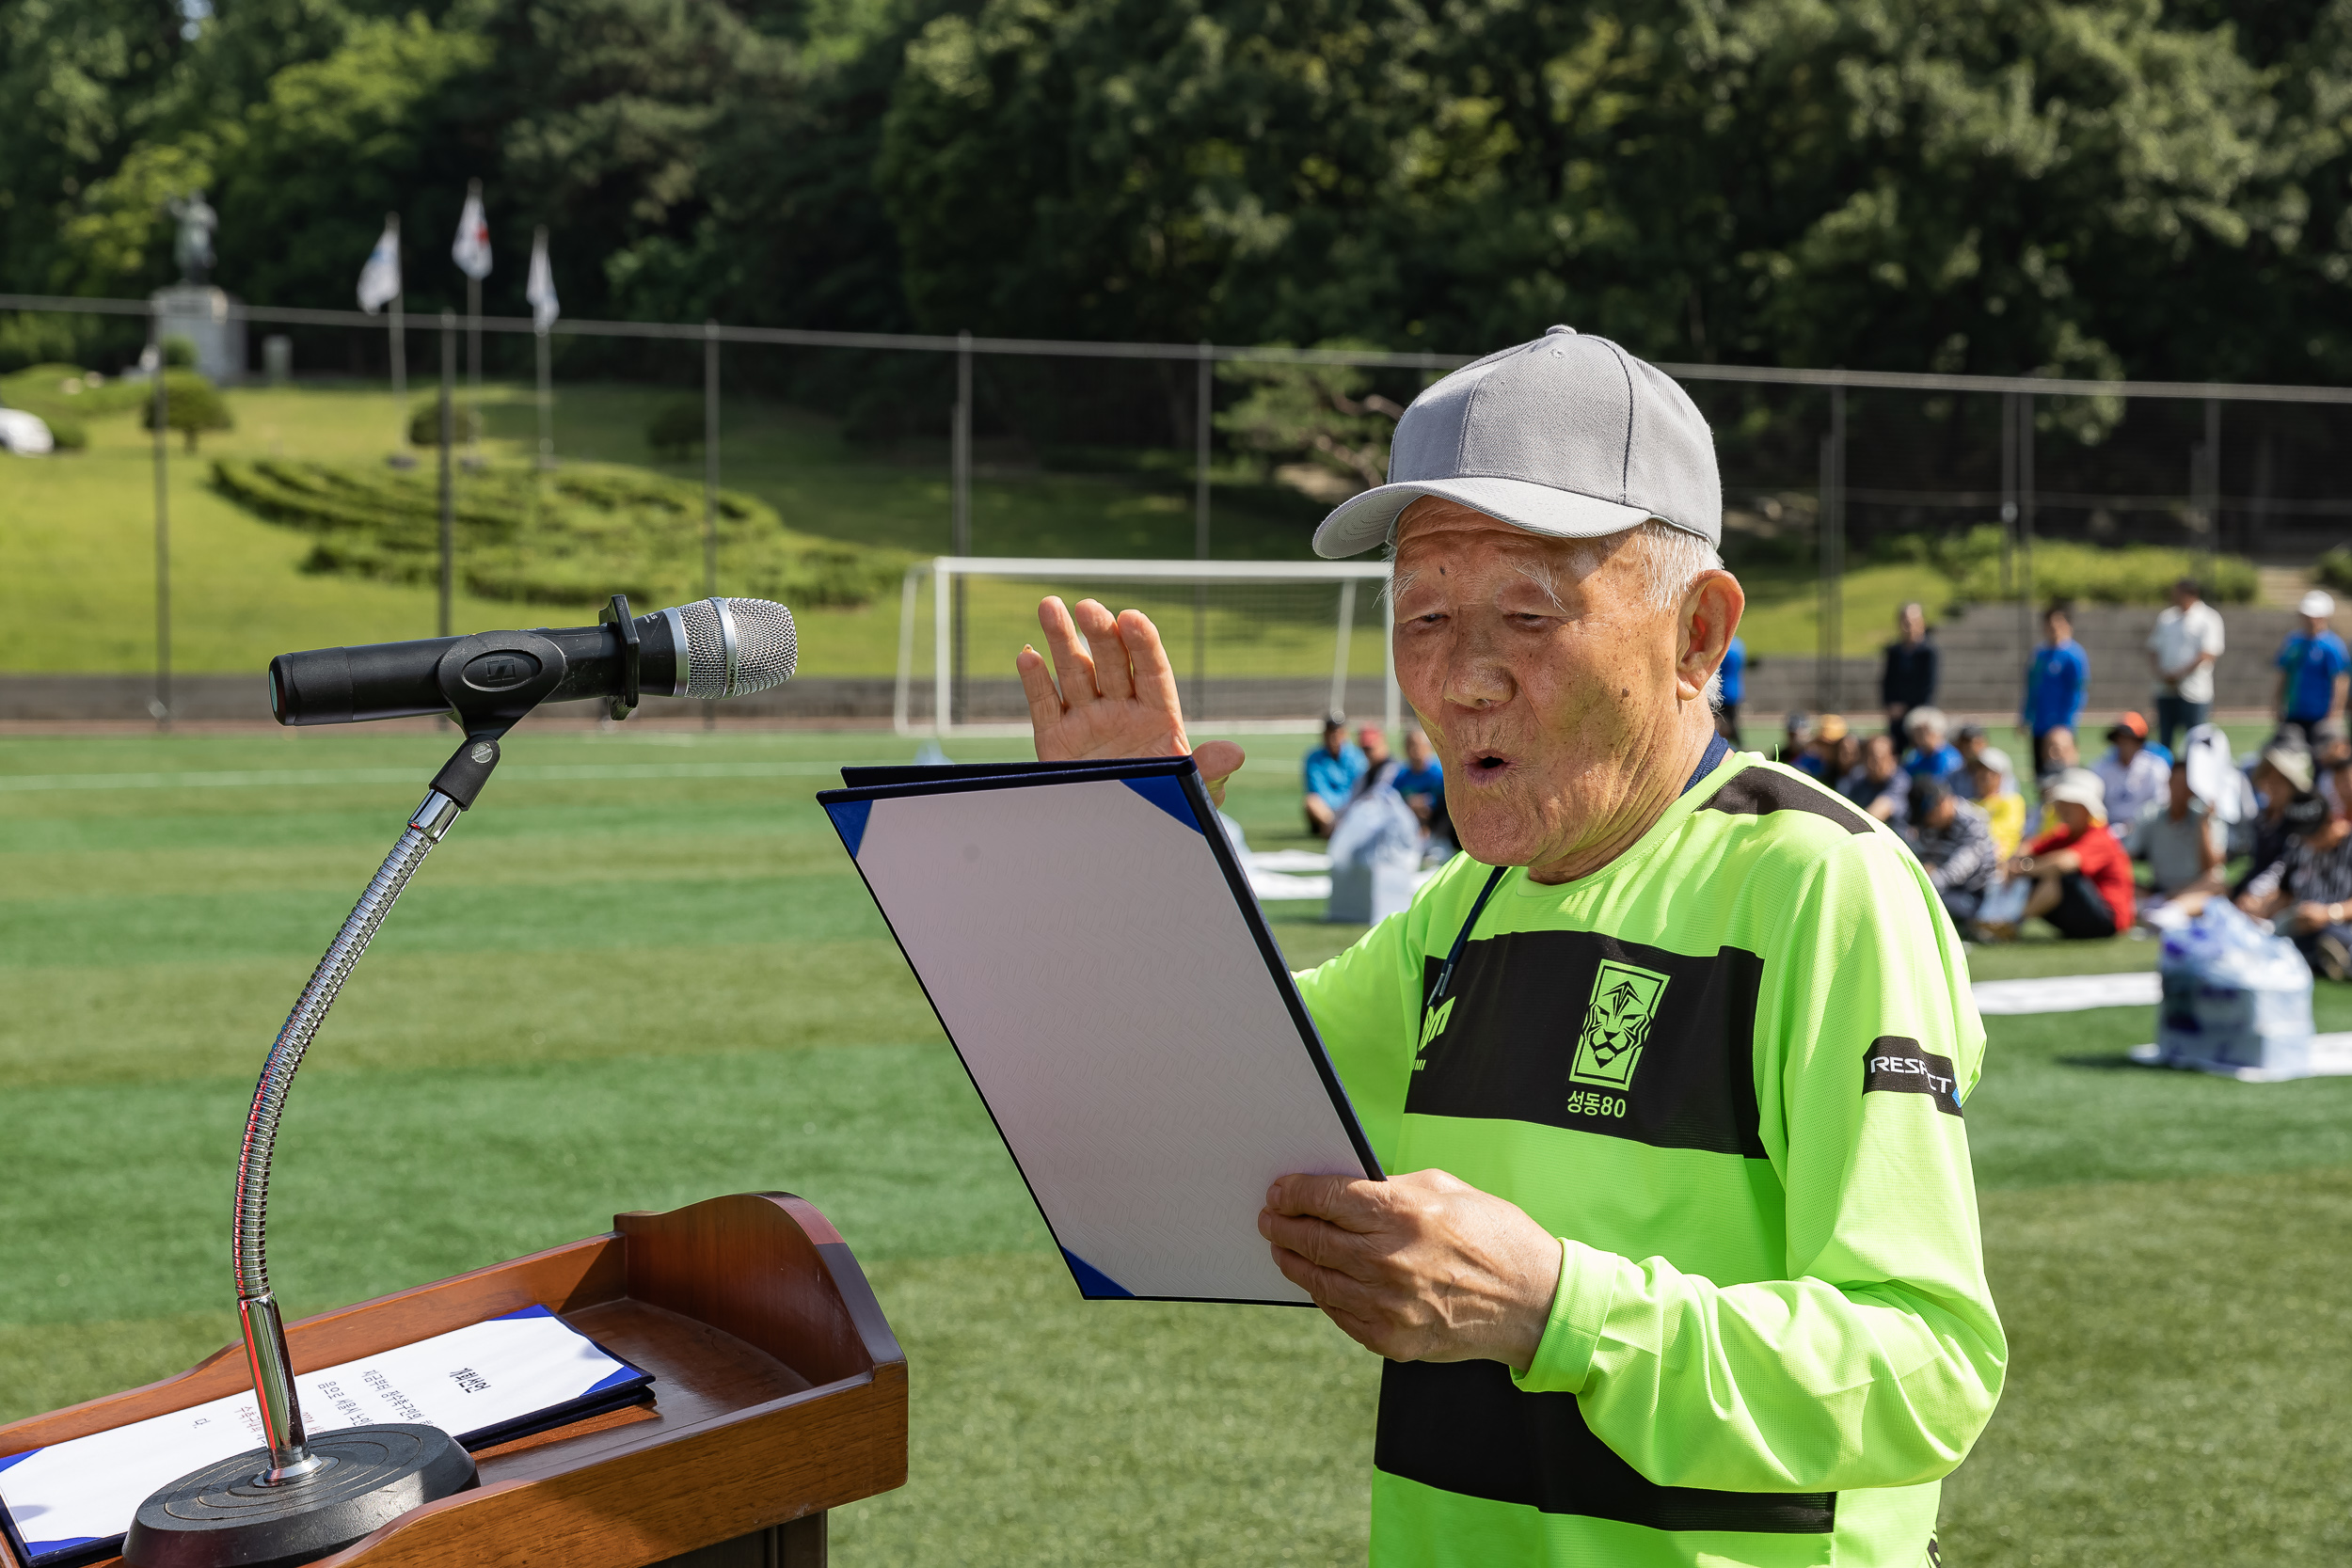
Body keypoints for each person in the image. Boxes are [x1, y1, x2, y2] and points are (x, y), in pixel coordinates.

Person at [1012, 325, 2000, 1568]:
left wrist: (1554, 1309)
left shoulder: (1820, 887)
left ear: (1698, 631)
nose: (1462, 674)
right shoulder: (1468, 902)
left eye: (1526, 609)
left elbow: (1930, 1365)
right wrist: (1130, 864)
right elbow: (1206, 1102)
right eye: (1422, 607)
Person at [2002, 768, 2134, 940]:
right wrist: (2013, 864)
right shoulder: (2064, 833)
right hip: (2083, 914)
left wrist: (2022, 868)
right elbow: (2028, 848)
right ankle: (1999, 919)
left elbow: (2065, 863)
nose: (2063, 808)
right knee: (2043, 873)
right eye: (2062, 802)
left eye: (2071, 803)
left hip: (2108, 921)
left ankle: (2012, 923)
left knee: (2062, 877)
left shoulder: (2100, 836)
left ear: (2087, 808)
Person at [2237, 801, 2352, 980]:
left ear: (2330, 822)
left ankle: (2334, 958)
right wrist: (2260, 905)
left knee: (2326, 937)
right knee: (2275, 934)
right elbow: (2285, 893)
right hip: (2302, 923)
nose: (2307, 838)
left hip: (2341, 924)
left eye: (2312, 832)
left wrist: (2328, 913)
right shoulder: (2299, 846)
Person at [2126, 760, 2225, 923]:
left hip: (2195, 889)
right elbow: (2128, 855)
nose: (2181, 791)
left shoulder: (2207, 818)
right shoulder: (2150, 814)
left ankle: (2167, 911)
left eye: (2187, 785)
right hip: (2159, 889)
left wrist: (2203, 824)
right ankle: (2164, 909)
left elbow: (2212, 866)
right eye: (2177, 783)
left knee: (2218, 884)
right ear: (2168, 783)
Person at [1905, 774, 1998, 926]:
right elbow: (1921, 859)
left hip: (1974, 895)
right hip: (1942, 887)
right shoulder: (1931, 823)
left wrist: (1918, 884)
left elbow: (1956, 872)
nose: (1926, 821)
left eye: (1928, 815)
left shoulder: (1973, 822)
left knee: (1929, 903)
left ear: (1941, 802)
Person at [2147, 576, 2225, 753]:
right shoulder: (2167, 617)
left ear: (2190, 594)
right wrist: (2162, 674)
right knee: (2165, 738)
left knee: (2196, 739)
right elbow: (2153, 648)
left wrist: (2179, 674)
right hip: (2165, 688)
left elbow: (2209, 653)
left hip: (2194, 690)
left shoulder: (2208, 618)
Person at [2273, 589, 2348, 750]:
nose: (2309, 620)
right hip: (2294, 713)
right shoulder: (2293, 642)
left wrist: (2336, 712)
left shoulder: (2332, 645)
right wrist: (2277, 704)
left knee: (2326, 756)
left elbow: (2340, 680)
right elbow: (2284, 674)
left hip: (2322, 716)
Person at [2021, 606, 2090, 776]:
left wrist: (2066, 724)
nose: (2053, 628)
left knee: (2064, 772)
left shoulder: (2074, 655)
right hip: (2040, 724)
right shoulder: (2039, 654)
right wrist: (2026, 716)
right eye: (2049, 624)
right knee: (2040, 772)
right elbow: (2031, 687)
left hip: (2061, 727)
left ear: (2068, 625)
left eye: (2058, 624)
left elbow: (2077, 691)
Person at [2091, 712, 2169, 832]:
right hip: (2107, 828)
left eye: (2128, 739)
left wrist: (2136, 825)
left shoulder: (2155, 768)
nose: (2123, 744)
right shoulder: (2101, 767)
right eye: (2119, 739)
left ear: (2139, 742)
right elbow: (2093, 803)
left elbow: (2161, 804)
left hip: (2143, 828)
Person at [1303, 714, 1368, 837]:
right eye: (1330, 732)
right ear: (1324, 734)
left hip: (1351, 807)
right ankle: (1336, 827)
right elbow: (1318, 789)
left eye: (1338, 732)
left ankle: (1336, 829)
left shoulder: (1356, 757)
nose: (1334, 737)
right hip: (1326, 811)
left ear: (1345, 734)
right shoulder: (1314, 758)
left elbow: (1359, 787)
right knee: (1311, 802)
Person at [1882, 601, 1937, 736]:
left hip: (1920, 711)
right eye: (1905, 622)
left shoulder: (1929, 652)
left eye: (1912, 621)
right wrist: (1890, 704)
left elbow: (1927, 685)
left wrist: (1905, 707)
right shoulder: (1894, 651)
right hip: (1896, 712)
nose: (1909, 626)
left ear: (1921, 622)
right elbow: (1888, 681)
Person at [1838, 731, 1908, 824]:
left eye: (1877, 759)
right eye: (1867, 757)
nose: (1871, 764)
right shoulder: (1857, 777)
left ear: (1892, 759)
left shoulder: (1899, 780)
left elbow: (1878, 812)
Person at [1965, 754, 2026, 860]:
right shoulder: (1970, 804)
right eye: (1979, 770)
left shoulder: (2012, 801)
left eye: (1988, 772)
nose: (1981, 775)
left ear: (2000, 777)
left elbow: (2005, 830)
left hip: (2000, 860)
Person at [1392, 724, 1447, 832]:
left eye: (1417, 746)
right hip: (1408, 826)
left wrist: (1427, 802)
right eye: (1409, 746)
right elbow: (1391, 798)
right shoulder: (1402, 776)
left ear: (1429, 747)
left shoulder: (1440, 774)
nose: (1414, 751)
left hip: (1439, 826)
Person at [1952, 721, 2016, 800]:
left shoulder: (1997, 763)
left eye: (1975, 743)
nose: (1969, 747)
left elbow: (2009, 799)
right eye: (1964, 743)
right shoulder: (1955, 774)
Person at [1900, 706, 1964, 783]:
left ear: (1937, 732)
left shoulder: (1951, 758)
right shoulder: (1913, 756)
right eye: (1915, 733)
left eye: (1923, 733)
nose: (1918, 737)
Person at [1355, 722, 1401, 797]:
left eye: (1370, 749)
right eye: (1364, 749)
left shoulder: (1393, 768)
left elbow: (1377, 795)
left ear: (1382, 743)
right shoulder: (1368, 773)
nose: (1367, 753)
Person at [1716, 633, 1746, 740]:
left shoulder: (1723, 647)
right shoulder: (1739, 645)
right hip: (1736, 690)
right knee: (1733, 719)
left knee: (1723, 722)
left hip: (1723, 690)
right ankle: (1739, 743)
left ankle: (1735, 743)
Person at [1781, 710, 1818, 774]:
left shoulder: (1816, 756)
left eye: (1797, 734)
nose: (1794, 739)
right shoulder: (1780, 755)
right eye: (1791, 735)